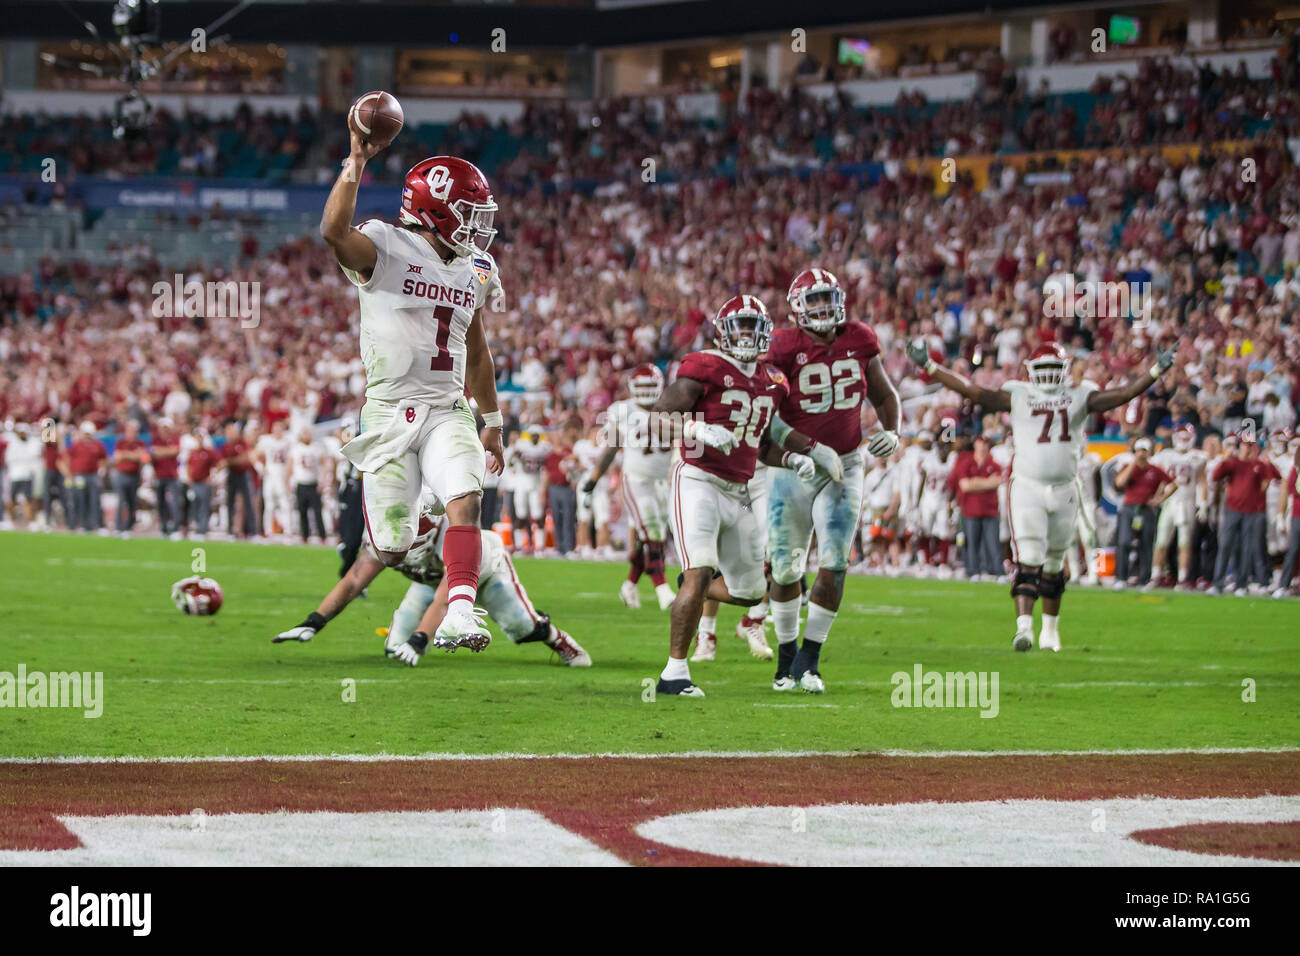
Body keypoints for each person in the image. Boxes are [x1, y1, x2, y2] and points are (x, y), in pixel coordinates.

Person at [321, 136, 506, 653]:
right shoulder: (385, 245)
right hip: (388, 414)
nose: (479, 224)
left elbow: (476, 348)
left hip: (447, 407)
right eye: (468, 212)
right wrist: (355, 161)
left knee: (466, 499)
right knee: (393, 542)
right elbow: (332, 231)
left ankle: (461, 613)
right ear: (435, 210)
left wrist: (491, 420)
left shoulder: (474, 271)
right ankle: (418, 513)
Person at [909, 338, 1175, 652]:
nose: (1049, 373)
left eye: (1053, 367)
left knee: (1054, 562)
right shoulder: (1019, 394)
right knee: (1029, 558)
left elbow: (1121, 395)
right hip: (1028, 486)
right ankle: (1024, 629)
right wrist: (930, 367)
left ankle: (1050, 631)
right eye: (1044, 367)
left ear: (1063, 370)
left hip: (1064, 488)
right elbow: (973, 391)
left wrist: (1156, 370)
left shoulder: (1079, 393)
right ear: (1032, 371)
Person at [653, 294, 841, 697]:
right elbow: (657, 416)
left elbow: (760, 445)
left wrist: (791, 458)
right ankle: (674, 674)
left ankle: (693, 584)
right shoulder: (704, 366)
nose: (746, 335)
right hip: (698, 480)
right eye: (739, 326)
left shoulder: (773, 380)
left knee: (752, 592)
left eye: (753, 327)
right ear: (723, 331)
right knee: (701, 570)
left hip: (740, 489)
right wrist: (694, 430)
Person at [763, 268, 901, 691]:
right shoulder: (782, 346)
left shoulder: (859, 337)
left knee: (835, 560)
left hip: (845, 463)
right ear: (797, 308)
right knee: (786, 569)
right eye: (815, 301)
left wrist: (892, 431)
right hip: (793, 469)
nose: (824, 308)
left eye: (828, 299)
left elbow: (884, 394)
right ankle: (786, 659)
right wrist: (801, 449)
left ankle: (810, 660)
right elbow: (765, 417)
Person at [274, 505, 590, 667]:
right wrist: (315, 621)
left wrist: (421, 639)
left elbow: (445, 600)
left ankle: (556, 638)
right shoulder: (389, 533)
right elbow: (354, 580)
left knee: (522, 627)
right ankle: (408, 637)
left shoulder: (449, 538)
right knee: (395, 648)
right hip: (432, 580)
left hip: (482, 570)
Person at [583, 364, 676, 611]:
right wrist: (593, 479)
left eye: (650, 386)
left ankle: (630, 585)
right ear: (632, 388)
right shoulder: (622, 411)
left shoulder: (673, 407)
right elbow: (611, 449)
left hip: (664, 483)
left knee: (652, 538)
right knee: (653, 532)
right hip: (636, 480)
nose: (646, 391)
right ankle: (663, 589)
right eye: (641, 386)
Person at [1210, 435, 1281, 595]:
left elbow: (1275, 476)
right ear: (1240, 446)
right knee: (1226, 545)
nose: (1248, 448)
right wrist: (1224, 459)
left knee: (1246, 548)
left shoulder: (1258, 464)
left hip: (1252, 512)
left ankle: (1241, 584)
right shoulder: (1233, 463)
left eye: (1250, 445)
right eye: (1245, 445)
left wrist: (1268, 462)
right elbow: (1215, 476)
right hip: (1233, 509)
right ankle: (1218, 583)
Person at [1113, 437, 1174, 590]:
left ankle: (1144, 580)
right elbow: (1120, 483)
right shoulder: (1128, 466)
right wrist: (1134, 462)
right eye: (1139, 450)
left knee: (1146, 544)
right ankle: (1121, 578)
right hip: (1129, 507)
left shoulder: (1155, 469)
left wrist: (1160, 499)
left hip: (1146, 509)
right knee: (1124, 542)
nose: (1141, 454)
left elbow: (1173, 484)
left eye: (1144, 451)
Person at [1151, 424, 1207, 588]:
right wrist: (1158, 497)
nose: (1183, 441)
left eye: (1186, 438)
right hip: (1169, 503)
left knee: (1184, 543)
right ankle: (1156, 575)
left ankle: (1182, 578)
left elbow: (1201, 481)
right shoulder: (1166, 455)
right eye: (1181, 437)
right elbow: (1160, 479)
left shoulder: (1197, 456)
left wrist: (1202, 504)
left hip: (1187, 502)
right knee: (1161, 540)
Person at [950, 434, 1003, 579]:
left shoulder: (994, 465)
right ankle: (973, 571)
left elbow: (997, 481)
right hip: (970, 509)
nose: (983, 446)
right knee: (971, 543)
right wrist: (986, 483)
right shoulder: (966, 463)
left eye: (986, 443)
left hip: (990, 509)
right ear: (976, 444)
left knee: (993, 543)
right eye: (981, 443)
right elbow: (965, 486)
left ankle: (997, 571)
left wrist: (975, 483)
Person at [255, 418, 293, 538]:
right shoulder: (266, 440)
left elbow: (291, 460)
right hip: (270, 475)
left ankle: (287, 529)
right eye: (275, 428)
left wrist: (289, 476)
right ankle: (268, 530)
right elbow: (254, 455)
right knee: (269, 504)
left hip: (282, 474)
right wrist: (260, 468)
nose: (277, 430)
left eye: (279, 428)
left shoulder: (288, 441)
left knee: (285, 502)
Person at [67, 421, 107, 533]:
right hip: (79, 475)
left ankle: (98, 525)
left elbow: (103, 459)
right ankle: (83, 525)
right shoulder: (77, 445)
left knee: (95, 500)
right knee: (81, 499)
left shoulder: (97, 444)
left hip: (93, 475)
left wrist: (101, 471)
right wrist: (70, 475)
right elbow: (68, 459)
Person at [290, 426, 326, 543]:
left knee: (317, 511)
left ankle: (322, 536)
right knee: (302, 511)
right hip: (301, 483)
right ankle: (304, 535)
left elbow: (324, 464)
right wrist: (288, 482)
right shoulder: (296, 449)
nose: (306, 436)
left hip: (313, 483)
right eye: (304, 434)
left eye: (308, 433)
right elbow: (289, 466)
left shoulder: (316, 448)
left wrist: (323, 480)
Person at [111, 419, 147, 536]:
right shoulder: (120, 442)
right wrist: (134, 455)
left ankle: (128, 527)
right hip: (122, 474)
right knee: (121, 501)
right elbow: (118, 456)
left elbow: (143, 457)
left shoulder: (140, 443)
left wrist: (127, 455)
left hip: (134, 475)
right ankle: (119, 527)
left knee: (132, 502)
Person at [151, 417, 183, 538]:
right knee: (161, 503)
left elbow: (174, 451)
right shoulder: (156, 439)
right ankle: (163, 528)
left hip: (172, 476)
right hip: (159, 475)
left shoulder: (174, 438)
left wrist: (161, 452)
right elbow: (154, 453)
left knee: (175, 503)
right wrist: (166, 452)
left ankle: (175, 528)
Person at [1275, 442, 1300, 598]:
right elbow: (1292, 489)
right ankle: (1283, 585)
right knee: (1293, 550)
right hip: (1297, 514)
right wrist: (1281, 516)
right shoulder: (1295, 470)